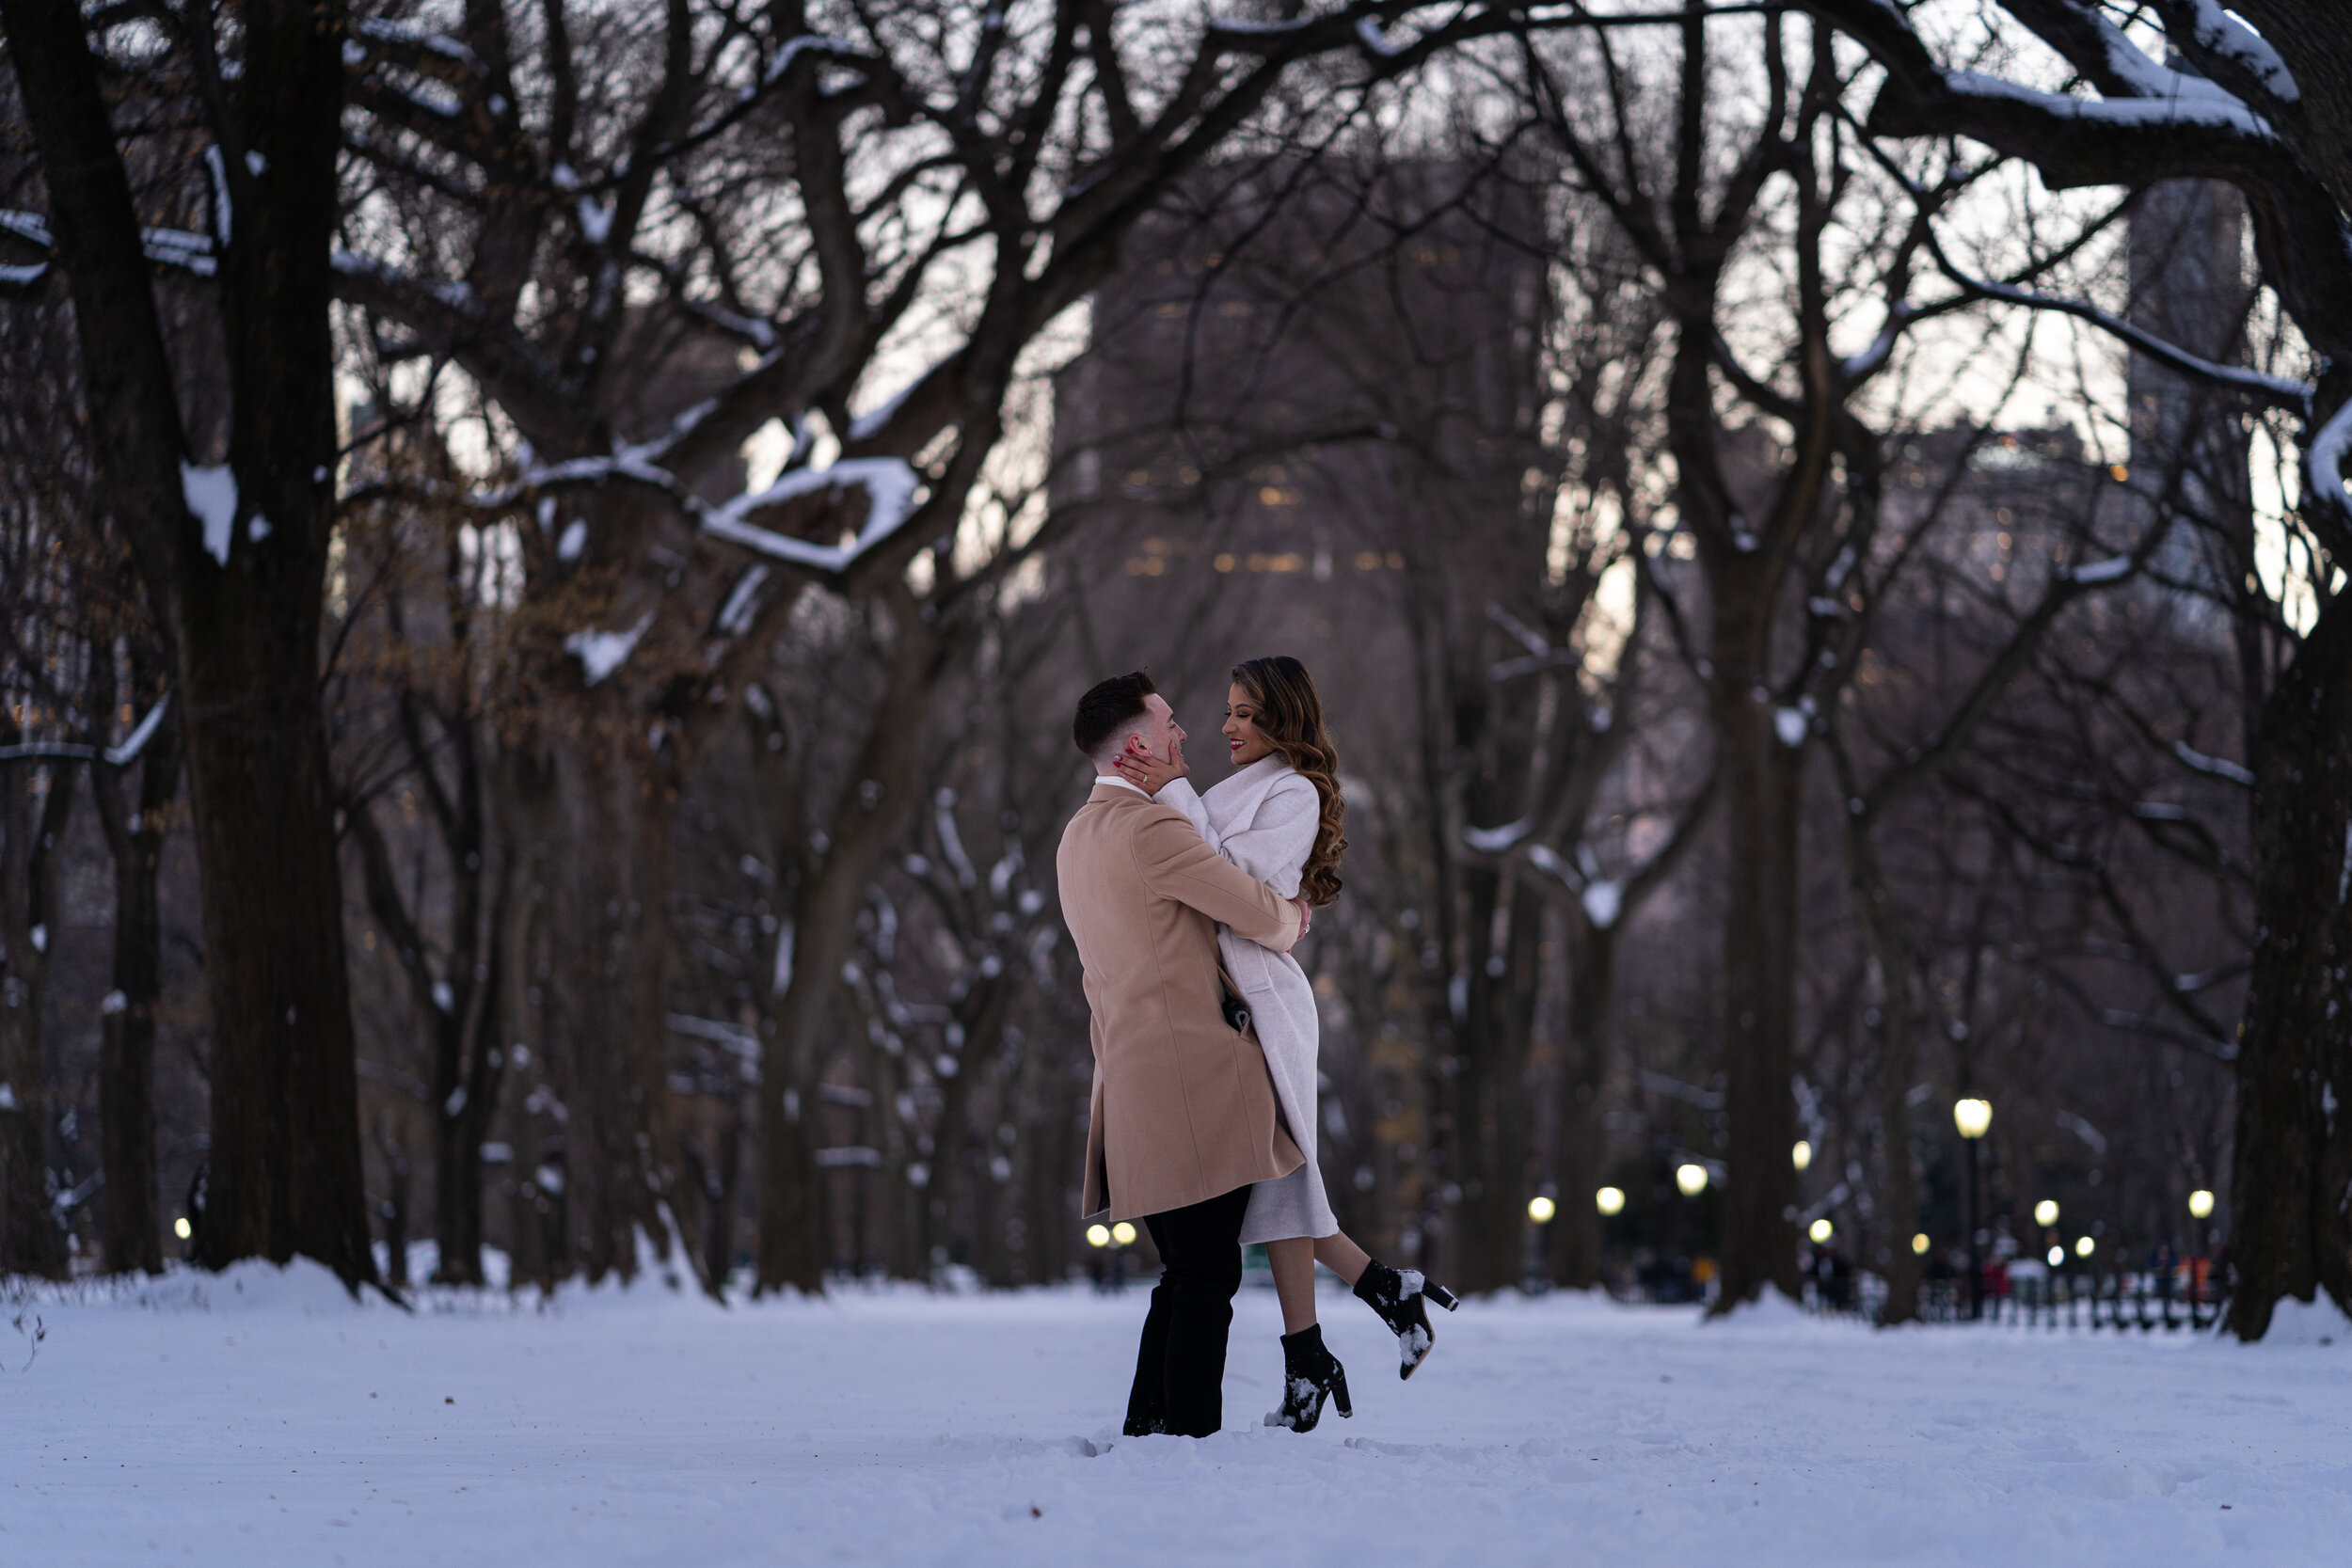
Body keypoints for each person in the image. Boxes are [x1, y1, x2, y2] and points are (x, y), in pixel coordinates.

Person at [1116, 656, 1456, 1433]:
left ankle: (1341, 1324)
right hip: (1230, 1004)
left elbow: (1228, 882)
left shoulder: (1292, 791)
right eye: (1228, 709)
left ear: (1283, 718)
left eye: (1245, 712)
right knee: (1278, 1183)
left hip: (1263, 1007)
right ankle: (1329, 1334)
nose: (1228, 725)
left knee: (1279, 1176)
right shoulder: (1232, 789)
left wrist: (1168, 791)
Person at [1056, 671, 1313, 1439]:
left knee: (1185, 1272)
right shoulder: (1152, 830)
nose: (1185, 734)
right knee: (1207, 1273)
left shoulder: (1079, 832)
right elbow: (1257, 911)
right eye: (1169, 722)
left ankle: (1152, 1424)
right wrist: (1296, 918)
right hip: (1195, 1077)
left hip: (1130, 1080)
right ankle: (1187, 1434)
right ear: (1137, 741)